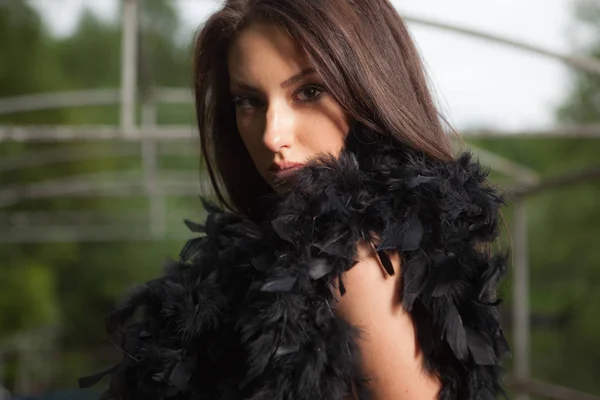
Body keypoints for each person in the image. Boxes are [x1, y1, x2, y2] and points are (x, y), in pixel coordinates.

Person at [79, 0, 509, 399]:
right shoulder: (278, 252)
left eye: (308, 92)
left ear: (371, 87)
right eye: (248, 102)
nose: (271, 135)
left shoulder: (354, 260)